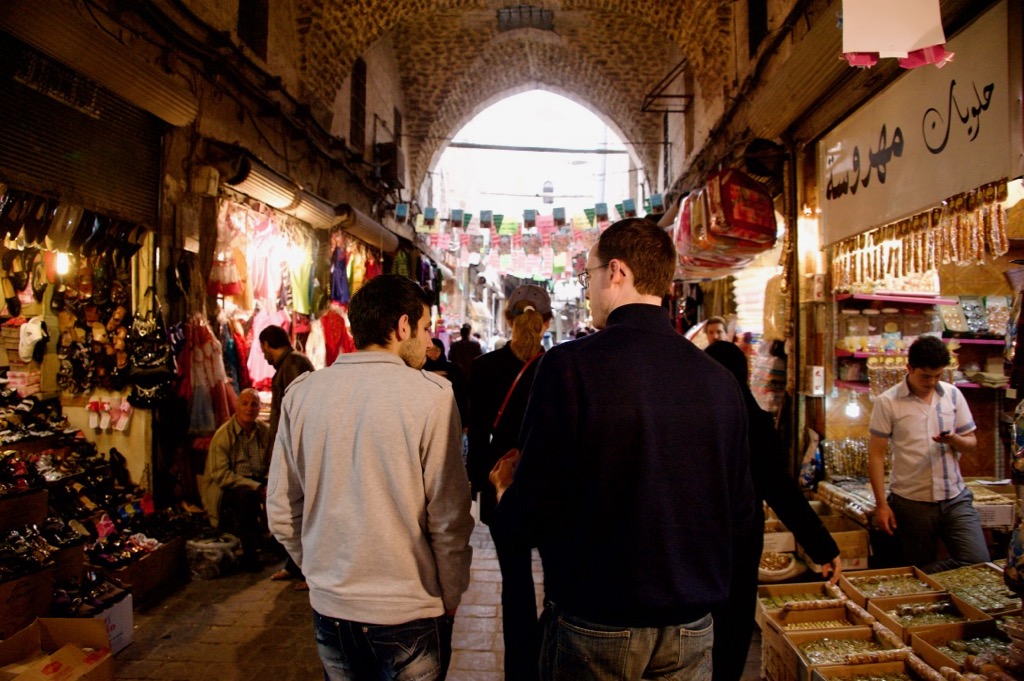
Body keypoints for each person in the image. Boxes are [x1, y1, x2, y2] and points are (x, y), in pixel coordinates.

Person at [492, 218, 754, 681]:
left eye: (587, 276)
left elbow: (535, 507)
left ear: (616, 272)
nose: (587, 289)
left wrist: (504, 495)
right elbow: (739, 512)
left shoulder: (570, 368)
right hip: (691, 629)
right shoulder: (719, 382)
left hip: (596, 622)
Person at [267, 274, 474, 681]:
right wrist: (450, 594)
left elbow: (280, 509)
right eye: (426, 327)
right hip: (407, 609)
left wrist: (320, 572)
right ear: (402, 327)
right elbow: (448, 517)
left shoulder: (303, 393)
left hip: (332, 610)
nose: (429, 340)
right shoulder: (431, 397)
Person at [704, 340, 841, 681]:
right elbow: (781, 491)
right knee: (732, 629)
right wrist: (822, 546)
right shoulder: (755, 422)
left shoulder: (689, 420)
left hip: (694, 545)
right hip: (739, 544)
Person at [467, 284, 553, 681]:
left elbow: (476, 440)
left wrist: (481, 484)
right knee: (557, 586)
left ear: (506, 318)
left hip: (501, 492)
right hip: (552, 492)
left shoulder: (482, 369)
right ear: (547, 322)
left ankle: (521, 671)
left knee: (515, 583)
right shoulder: (561, 368)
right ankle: (552, 660)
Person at [868, 335, 989, 573]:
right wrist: (882, 505)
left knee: (978, 561)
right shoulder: (887, 402)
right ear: (909, 368)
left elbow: (971, 443)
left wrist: (955, 440)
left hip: (955, 497)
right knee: (917, 568)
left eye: (938, 375)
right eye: (925, 376)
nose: (932, 382)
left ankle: (914, 582)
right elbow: (876, 456)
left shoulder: (953, 395)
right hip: (911, 503)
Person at [259, 324, 315, 587]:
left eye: (263, 350)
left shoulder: (292, 364)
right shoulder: (290, 363)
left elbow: (298, 409)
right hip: (293, 446)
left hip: (296, 448)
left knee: (298, 509)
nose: (264, 356)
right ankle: (296, 567)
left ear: (268, 345)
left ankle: (308, 569)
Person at [200, 388, 269, 572]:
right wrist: (256, 487)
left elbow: (273, 462)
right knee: (247, 498)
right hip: (228, 488)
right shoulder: (224, 435)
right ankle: (250, 554)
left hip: (255, 481)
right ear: (236, 406)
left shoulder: (263, 432)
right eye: (244, 404)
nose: (249, 409)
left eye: (254, 404)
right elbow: (221, 476)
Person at [424, 337, 468, 423]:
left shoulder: (453, 369)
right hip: (430, 417)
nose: (434, 353)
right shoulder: (420, 370)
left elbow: (462, 395)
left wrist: (465, 420)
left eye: (437, 349)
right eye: (430, 350)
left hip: (451, 414)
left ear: (442, 350)